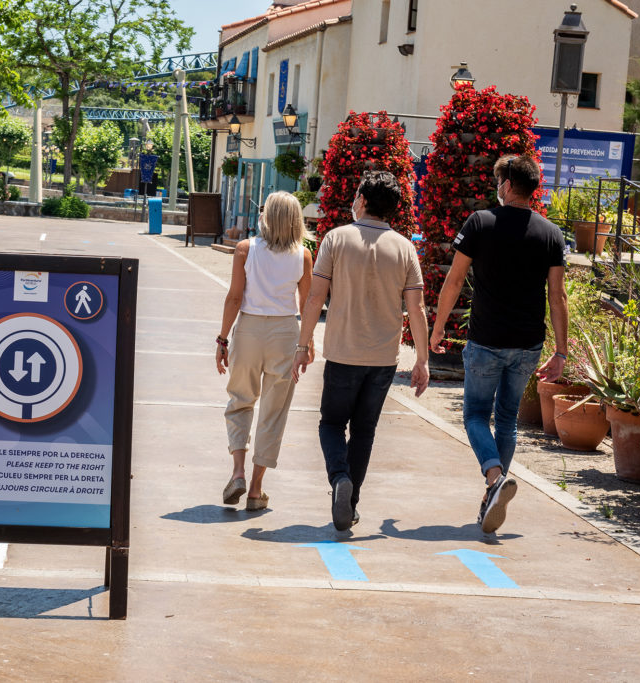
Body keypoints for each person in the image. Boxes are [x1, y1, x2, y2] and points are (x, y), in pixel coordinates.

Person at [429, 154, 568, 534]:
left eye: (498, 181)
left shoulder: (480, 222)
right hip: (528, 344)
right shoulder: (551, 234)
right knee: (506, 421)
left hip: (487, 340)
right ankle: (494, 492)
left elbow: (455, 280)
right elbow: (558, 296)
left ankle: (494, 479)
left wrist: (438, 327)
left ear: (507, 185)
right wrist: (561, 352)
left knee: (475, 415)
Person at [293, 171, 430, 531]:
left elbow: (315, 297)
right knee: (365, 430)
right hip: (383, 358)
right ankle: (350, 504)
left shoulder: (336, 239)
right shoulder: (404, 247)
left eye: (356, 194)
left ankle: (339, 478)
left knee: (332, 424)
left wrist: (302, 344)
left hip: (342, 352)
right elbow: (416, 309)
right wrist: (422, 360)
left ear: (364, 200)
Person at [217, 191, 313, 511]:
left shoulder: (246, 250)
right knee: (274, 411)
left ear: (267, 217)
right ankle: (257, 490)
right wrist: (307, 343)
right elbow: (308, 303)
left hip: (249, 329)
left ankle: (238, 473)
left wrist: (222, 339)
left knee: (240, 400)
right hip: (285, 332)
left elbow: (234, 297)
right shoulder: (303, 255)